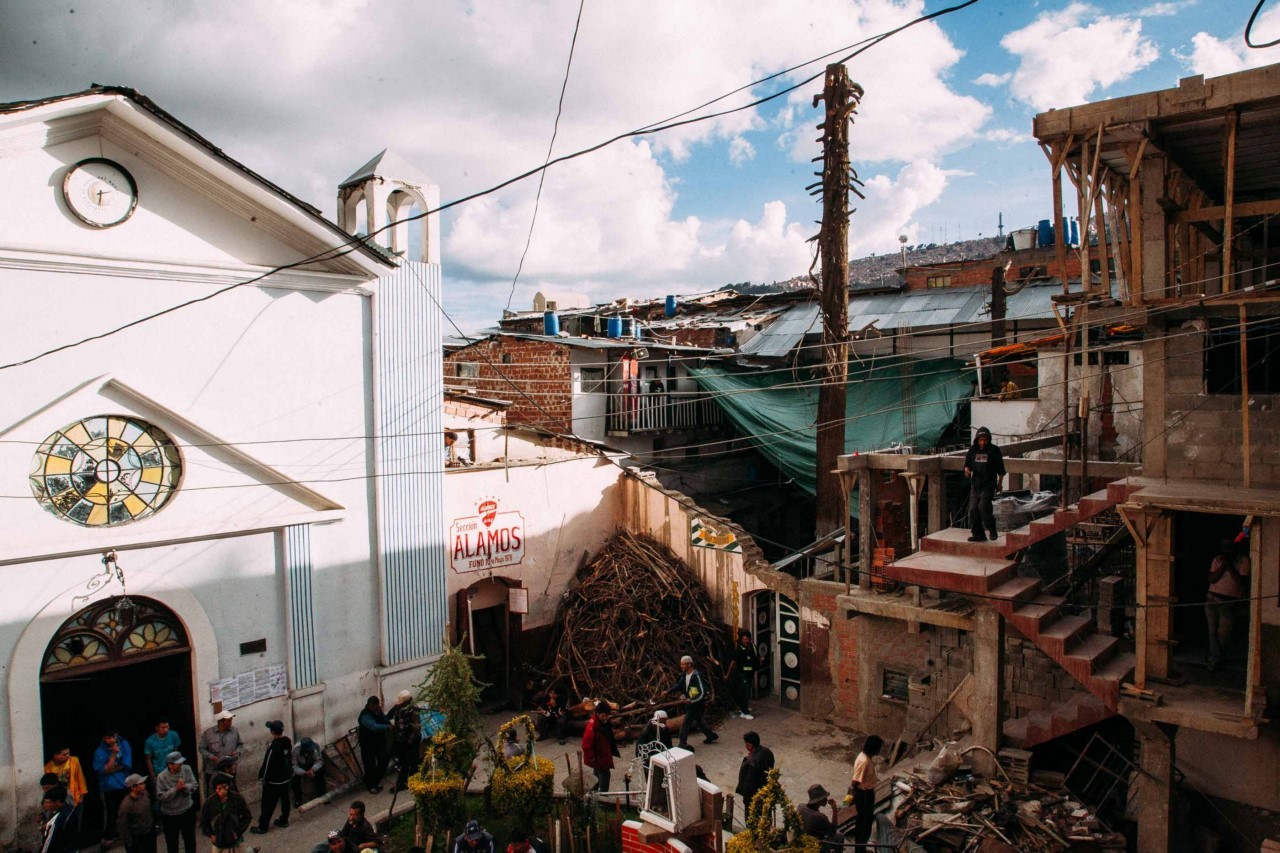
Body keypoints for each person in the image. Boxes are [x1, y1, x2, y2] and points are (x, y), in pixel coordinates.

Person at [1206, 539, 1251, 671]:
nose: (1226, 551)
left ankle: (1218, 656)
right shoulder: (1218, 560)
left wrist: (1230, 566)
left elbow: (1240, 582)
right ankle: (1215, 658)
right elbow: (1211, 579)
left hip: (1228, 602)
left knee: (1223, 633)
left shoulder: (1243, 561)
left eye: (1229, 548)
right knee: (1212, 631)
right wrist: (1223, 565)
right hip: (1212, 599)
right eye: (1224, 548)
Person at [666, 655, 718, 748]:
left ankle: (682, 743)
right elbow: (679, 685)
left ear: (689, 664)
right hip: (690, 703)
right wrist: (668, 692)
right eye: (681, 664)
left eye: (683, 664)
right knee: (699, 720)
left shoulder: (696, 676)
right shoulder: (684, 675)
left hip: (697, 704)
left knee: (686, 722)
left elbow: (703, 692)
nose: (681, 666)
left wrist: (692, 700)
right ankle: (711, 735)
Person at [964, 426, 1005, 542]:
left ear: (988, 440)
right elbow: (967, 464)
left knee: (983, 506)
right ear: (977, 440)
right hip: (976, 485)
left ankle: (991, 528)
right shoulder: (972, 450)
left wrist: (999, 484)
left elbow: (1001, 470)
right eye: (980, 440)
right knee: (973, 509)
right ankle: (978, 534)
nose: (982, 443)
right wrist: (967, 470)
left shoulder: (994, 451)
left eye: (985, 440)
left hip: (989, 484)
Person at [251, 720, 293, 834]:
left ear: (272, 732)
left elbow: (267, 763)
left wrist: (262, 777)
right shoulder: (287, 741)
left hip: (274, 780)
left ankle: (263, 826)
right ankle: (284, 820)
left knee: (268, 804)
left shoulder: (274, 746)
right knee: (285, 800)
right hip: (285, 778)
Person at [93, 728, 134, 843]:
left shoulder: (124, 744)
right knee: (110, 813)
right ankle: (109, 837)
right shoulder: (99, 752)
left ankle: (126, 832)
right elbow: (104, 770)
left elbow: (126, 764)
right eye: (109, 738)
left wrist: (111, 768)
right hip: (108, 787)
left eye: (114, 737)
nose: (112, 740)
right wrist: (114, 754)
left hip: (124, 784)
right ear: (104, 739)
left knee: (126, 810)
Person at [155, 751, 198, 853]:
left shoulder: (187, 769)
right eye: (178, 763)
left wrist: (185, 786)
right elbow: (161, 796)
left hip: (187, 811)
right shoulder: (162, 777)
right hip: (170, 815)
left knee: (190, 841)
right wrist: (175, 789)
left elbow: (194, 785)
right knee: (172, 844)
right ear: (170, 765)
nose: (181, 765)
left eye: (181, 762)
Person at [199, 773, 251, 853]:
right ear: (216, 789)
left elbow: (247, 817)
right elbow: (203, 822)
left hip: (236, 841)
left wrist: (238, 832)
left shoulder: (237, 799)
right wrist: (211, 835)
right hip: (219, 841)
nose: (223, 791)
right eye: (220, 788)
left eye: (225, 787)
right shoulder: (209, 803)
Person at [848, 735, 883, 851]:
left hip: (867, 792)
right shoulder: (864, 761)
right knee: (864, 823)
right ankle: (860, 849)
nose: (880, 750)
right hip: (864, 794)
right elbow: (855, 781)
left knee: (864, 821)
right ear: (874, 748)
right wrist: (848, 798)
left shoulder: (866, 757)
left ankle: (861, 846)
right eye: (879, 748)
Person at [388, 689, 422, 793]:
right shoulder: (398, 707)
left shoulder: (414, 710)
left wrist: (410, 741)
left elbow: (416, 728)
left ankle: (412, 782)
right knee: (403, 763)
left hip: (411, 740)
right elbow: (389, 715)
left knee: (413, 762)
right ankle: (401, 783)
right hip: (400, 739)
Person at [199, 711, 242, 792]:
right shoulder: (208, 733)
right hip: (213, 770)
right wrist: (210, 756)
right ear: (221, 722)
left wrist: (237, 751)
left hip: (229, 769)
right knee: (213, 791)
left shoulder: (234, 731)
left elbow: (240, 745)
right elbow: (201, 748)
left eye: (231, 720)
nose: (231, 723)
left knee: (230, 789)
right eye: (228, 721)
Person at [581, 702, 619, 794]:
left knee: (597, 775)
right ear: (597, 714)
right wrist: (592, 758)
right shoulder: (592, 727)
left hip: (602, 754)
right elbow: (586, 745)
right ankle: (603, 798)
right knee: (604, 776)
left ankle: (593, 794)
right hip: (599, 756)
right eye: (603, 716)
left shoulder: (602, 722)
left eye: (606, 716)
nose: (605, 718)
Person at [357, 696, 391, 793]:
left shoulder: (378, 711)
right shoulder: (365, 716)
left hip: (378, 743)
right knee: (369, 765)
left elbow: (384, 718)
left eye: (375, 706)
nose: (374, 708)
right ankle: (371, 785)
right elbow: (374, 727)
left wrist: (389, 723)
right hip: (367, 745)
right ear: (368, 705)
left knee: (384, 760)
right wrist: (388, 727)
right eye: (372, 706)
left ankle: (375, 781)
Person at [734, 732, 774, 814]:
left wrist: (746, 799)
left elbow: (747, 782)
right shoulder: (767, 752)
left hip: (753, 797)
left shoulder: (750, 762)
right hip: (766, 793)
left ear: (749, 745)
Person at [117, 773, 157, 853]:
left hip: (149, 834)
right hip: (137, 839)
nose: (144, 785)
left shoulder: (146, 794)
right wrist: (129, 842)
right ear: (133, 787)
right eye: (141, 784)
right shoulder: (126, 805)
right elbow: (122, 825)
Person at [725, 631, 760, 720]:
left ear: (750, 639)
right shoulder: (739, 650)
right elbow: (733, 663)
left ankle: (743, 707)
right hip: (741, 674)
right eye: (743, 639)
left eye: (747, 639)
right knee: (744, 692)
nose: (745, 641)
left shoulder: (753, 647)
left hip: (750, 673)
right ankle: (744, 712)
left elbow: (756, 656)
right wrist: (728, 674)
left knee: (747, 691)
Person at [796, 784, 839, 849]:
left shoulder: (800, 806)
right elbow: (833, 832)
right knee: (839, 836)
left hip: (803, 838)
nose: (826, 799)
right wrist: (834, 809)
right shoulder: (820, 817)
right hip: (814, 844)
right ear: (819, 801)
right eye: (824, 798)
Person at [291, 736, 327, 808]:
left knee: (321, 772)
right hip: (301, 767)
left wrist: (313, 769)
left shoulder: (315, 747)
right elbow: (294, 766)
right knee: (294, 780)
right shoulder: (295, 750)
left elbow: (319, 761)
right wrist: (303, 772)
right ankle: (298, 799)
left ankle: (322, 795)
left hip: (312, 765)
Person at [40, 785, 77, 853]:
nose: (45, 805)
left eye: (47, 802)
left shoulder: (57, 820)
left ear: (57, 802)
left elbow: (48, 845)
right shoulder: (70, 809)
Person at [144, 718, 182, 782]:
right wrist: (153, 776)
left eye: (167, 727)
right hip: (159, 772)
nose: (166, 730)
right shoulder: (150, 741)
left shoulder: (174, 735)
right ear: (157, 728)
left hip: (173, 770)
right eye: (163, 727)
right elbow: (148, 759)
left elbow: (177, 752)